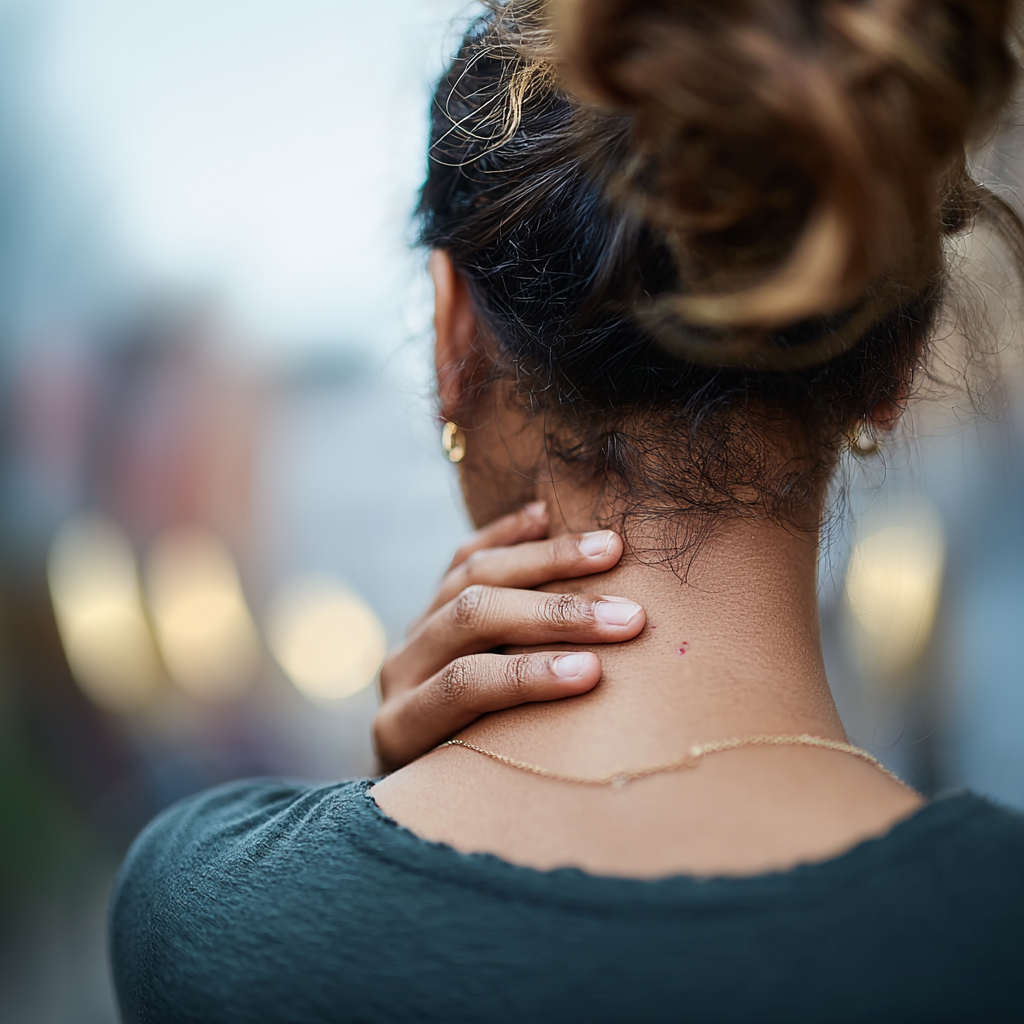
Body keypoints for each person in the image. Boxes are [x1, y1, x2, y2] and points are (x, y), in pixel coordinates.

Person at [110, 1, 1024, 1021]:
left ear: (455, 335)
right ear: (894, 368)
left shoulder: (203, 912)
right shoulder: (994, 932)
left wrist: (372, 803)